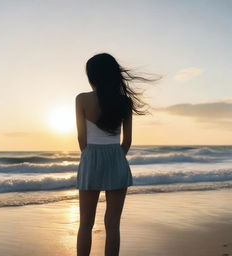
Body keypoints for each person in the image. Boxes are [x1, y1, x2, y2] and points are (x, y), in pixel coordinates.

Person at [75, 53, 161, 256]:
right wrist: (115, 157)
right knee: (113, 225)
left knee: (85, 223)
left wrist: (90, 157)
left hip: (91, 157)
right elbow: (127, 141)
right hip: (116, 158)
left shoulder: (82, 99)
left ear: (92, 76)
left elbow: (81, 138)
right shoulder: (124, 102)